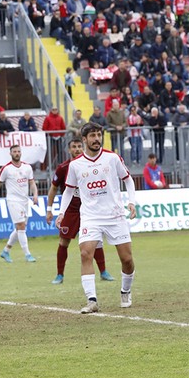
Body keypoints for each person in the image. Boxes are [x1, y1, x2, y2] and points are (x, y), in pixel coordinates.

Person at [55, 122, 137, 314]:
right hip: (90, 217)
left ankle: (125, 290)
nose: (96, 139)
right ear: (84, 139)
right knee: (85, 254)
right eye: (92, 136)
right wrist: (61, 212)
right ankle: (92, 300)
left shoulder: (112, 158)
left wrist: (131, 202)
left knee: (127, 259)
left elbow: (128, 180)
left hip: (115, 215)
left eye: (98, 135)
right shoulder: (76, 165)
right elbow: (68, 191)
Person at [46, 138, 113, 285]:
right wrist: (49, 209)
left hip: (89, 209)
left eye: (78, 146)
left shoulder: (90, 165)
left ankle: (103, 271)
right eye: (73, 147)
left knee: (97, 241)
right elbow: (53, 188)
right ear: (69, 150)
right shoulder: (63, 168)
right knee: (64, 241)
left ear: (82, 148)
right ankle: (59, 275)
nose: (76, 149)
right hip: (70, 211)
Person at [0, 145, 38, 263]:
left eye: (18, 151)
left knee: (20, 228)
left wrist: (35, 195)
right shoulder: (6, 168)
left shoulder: (27, 167)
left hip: (25, 201)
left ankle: (6, 251)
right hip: (13, 200)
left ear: (21, 153)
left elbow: (32, 183)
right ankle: (28, 254)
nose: (17, 153)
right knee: (21, 226)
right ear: (10, 153)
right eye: (14, 152)